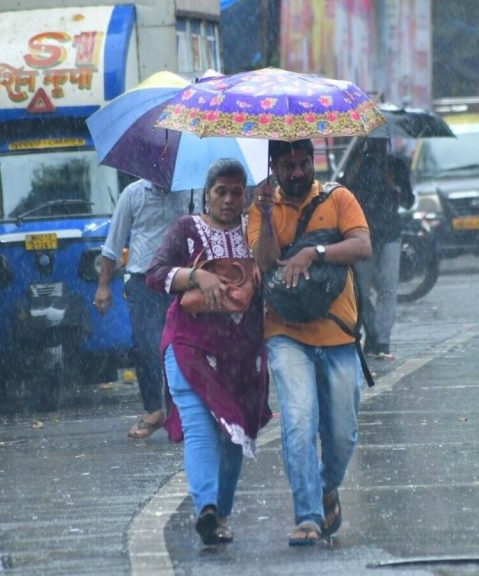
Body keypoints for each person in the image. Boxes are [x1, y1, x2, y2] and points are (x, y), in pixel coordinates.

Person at [248, 139, 372, 546]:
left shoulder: (339, 198)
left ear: (314, 161)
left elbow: (362, 246)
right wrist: (266, 215)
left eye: (304, 163)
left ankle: (326, 487)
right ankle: (307, 517)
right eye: (288, 165)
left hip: (337, 333)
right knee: (299, 422)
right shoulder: (260, 207)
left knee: (342, 434)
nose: (297, 172)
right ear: (275, 167)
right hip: (285, 332)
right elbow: (265, 263)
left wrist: (314, 253)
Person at [145, 158, 271, 546]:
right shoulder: (187, 229)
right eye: (221, 192)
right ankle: (206, 509)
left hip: (239, 352)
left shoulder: (254, 230)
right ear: (207, 194)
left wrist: (265, 214)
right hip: (189, 345)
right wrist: (198, 275)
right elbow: (155, 274)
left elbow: (269, 266)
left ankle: (219, 514)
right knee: (201, 428)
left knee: (234, 434)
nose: (229, 200)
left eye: (237, 192)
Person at [94, 178, 196, 440]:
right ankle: (154, 409)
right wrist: (103, 285)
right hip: (144, 282)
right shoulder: (133, 193)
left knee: (179, 349)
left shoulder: (191, 192)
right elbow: (113, 243)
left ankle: (177, 414)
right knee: (147, 345)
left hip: (180, 280)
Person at [339, 138, 414, 360]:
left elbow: (409, 200)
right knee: (360, 290)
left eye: (381, 140)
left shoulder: (396, 164)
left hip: (390, 232)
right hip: (362, 233)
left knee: (388, 287)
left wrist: (396, 188)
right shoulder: (355, 162)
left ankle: (383, 340)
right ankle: (371, 333)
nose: (377, 144)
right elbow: (344, 194)